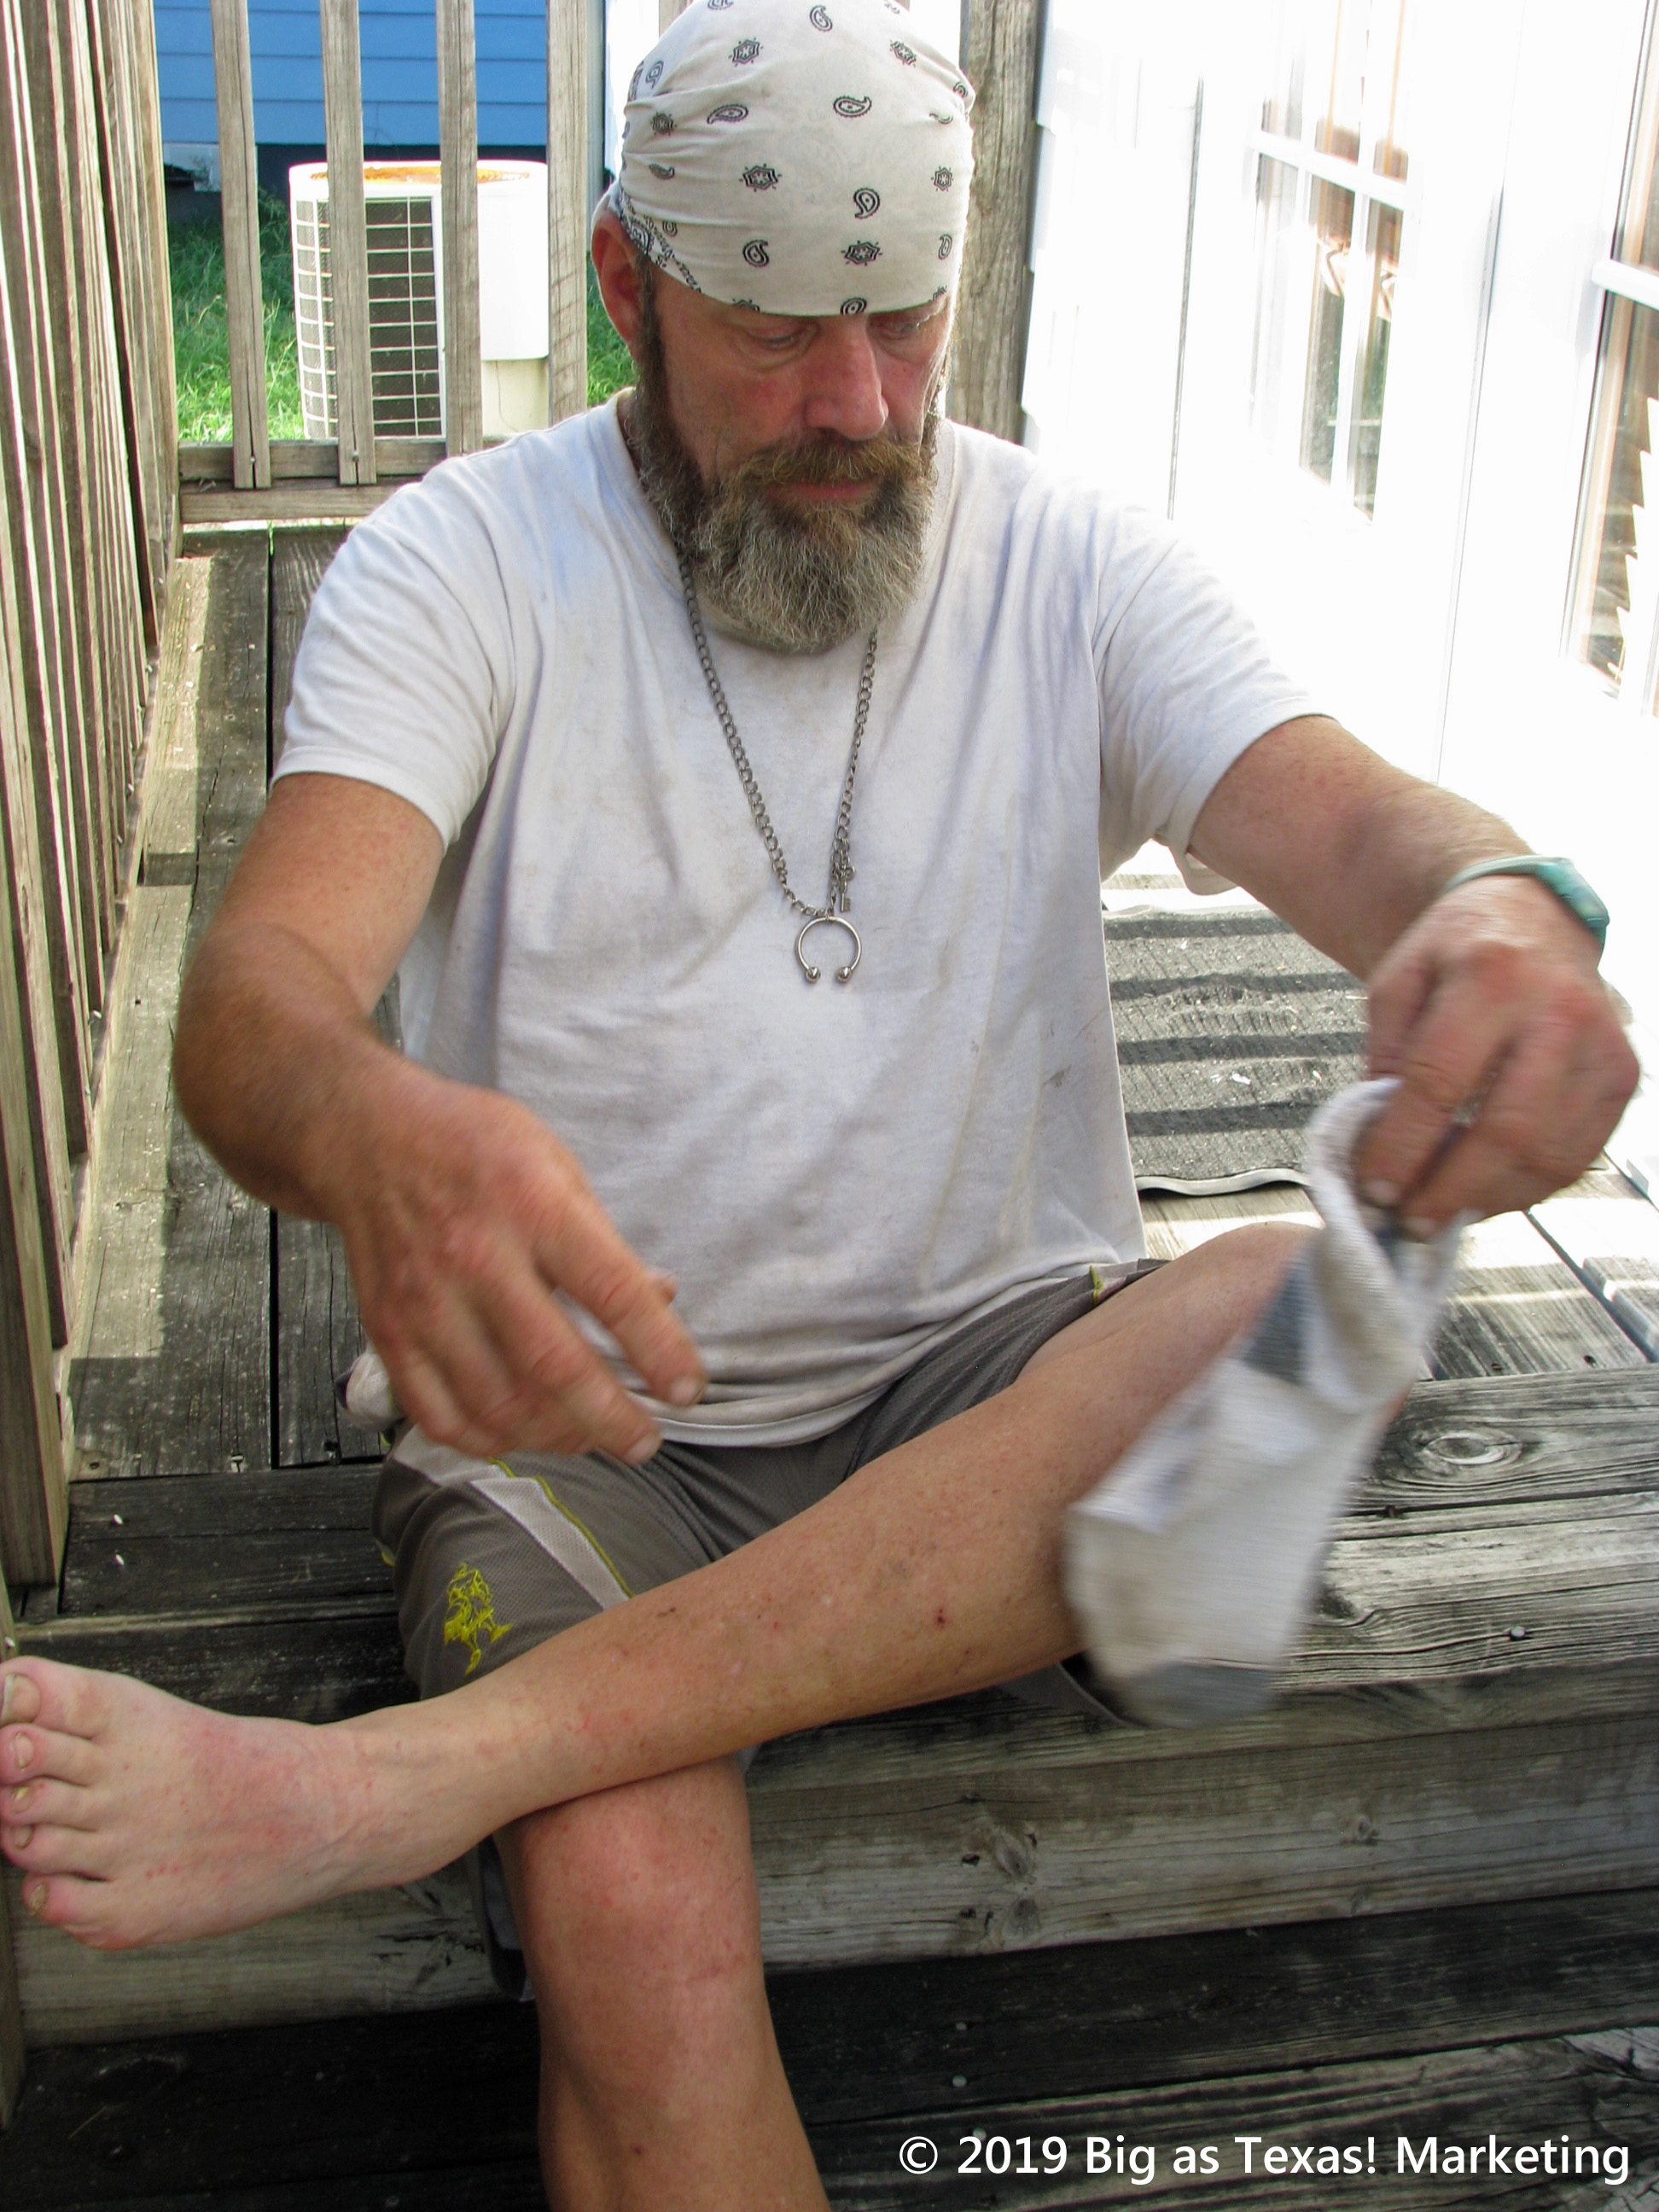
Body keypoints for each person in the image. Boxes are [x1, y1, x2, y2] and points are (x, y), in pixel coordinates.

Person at [0, 3, 1638, 2205]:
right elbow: (257, 996)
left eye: (903, 324)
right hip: (591, 1432)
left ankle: (412, 1778)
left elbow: (1362, 828)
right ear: (627, 288)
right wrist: (375, 1127)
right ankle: (552, 1739)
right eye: (774, 334)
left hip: (992, 1379)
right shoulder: (462, 562)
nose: (856, 405)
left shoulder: (1073, 560)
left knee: (1263, 1287)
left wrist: (1503, 912)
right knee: (635, 1923)